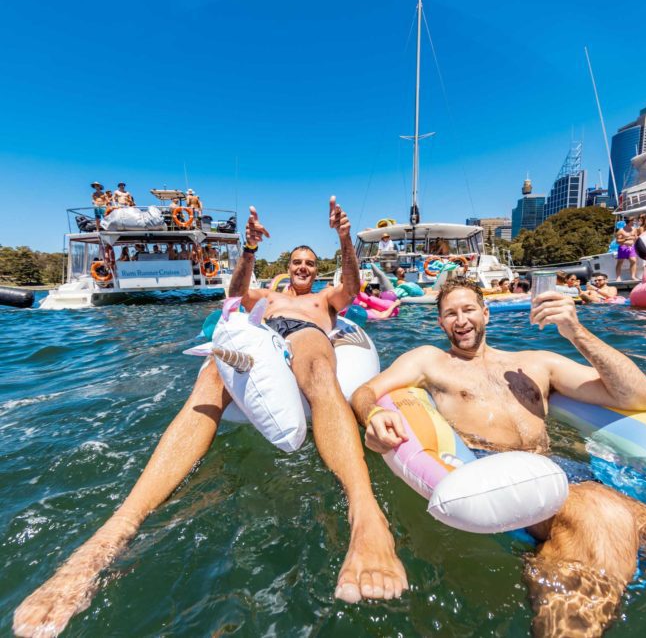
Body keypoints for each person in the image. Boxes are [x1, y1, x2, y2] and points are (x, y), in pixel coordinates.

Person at [13, 198, 407, 638]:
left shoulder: (324, 300)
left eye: (309, 263)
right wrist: (250, 251)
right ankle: (116, 530)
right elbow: (236, 296)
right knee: (212, 372)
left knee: (318, 367)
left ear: (317, 270)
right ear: (287, 266)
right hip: (261, 335)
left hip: (307, 338)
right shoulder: (268, 295)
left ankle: (365, 513)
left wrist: (344, 240)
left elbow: (351, 289)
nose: (300, 268)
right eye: (295, 261)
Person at [350, 278, 646, 636]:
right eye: (450, 314)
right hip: (499, 473)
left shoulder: (537, 363)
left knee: (637, 523)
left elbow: (638, 395)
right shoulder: (430, 361)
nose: (461, 320)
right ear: (440, 322)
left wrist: (576, 332)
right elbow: (366, 391)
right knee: (601, 513)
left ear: (486, 313)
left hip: (565, 469)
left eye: (468, 310)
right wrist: (373, 414)